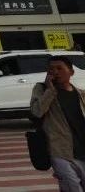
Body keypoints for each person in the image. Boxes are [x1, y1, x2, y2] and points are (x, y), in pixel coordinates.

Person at [31, 56, 85, 191]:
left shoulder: (81, 95)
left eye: (59, 68)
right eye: (51, 69)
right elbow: (37, 112)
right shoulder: (41, 90)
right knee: (72, 187)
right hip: (60, 151)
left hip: (82, 151)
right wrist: (50, 90)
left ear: (71, 72)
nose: (55, 72)